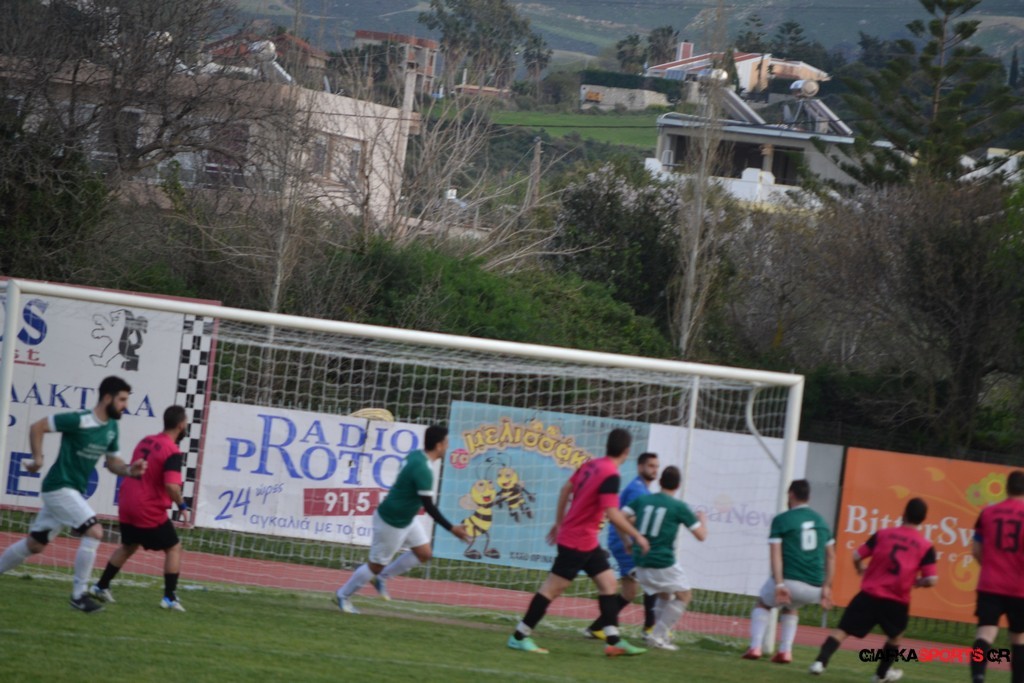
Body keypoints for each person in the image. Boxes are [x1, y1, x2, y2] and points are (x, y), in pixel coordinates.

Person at [0, 376, 144, 613]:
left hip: (70, 490)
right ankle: (78, 595)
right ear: (107, 398)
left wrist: (129, 470)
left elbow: (113, 463)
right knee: (95, 531)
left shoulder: (111, 428)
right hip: (59, 487)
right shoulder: (79, 419)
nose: (125, 406)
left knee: (35, 545)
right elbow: (37, 427)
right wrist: (38, 459)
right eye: (122, 400)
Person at [507, 428, 651, 656]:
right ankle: (519, 636)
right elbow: (612, 514)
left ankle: (614, 641)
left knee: (608, 584)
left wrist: (559, 522)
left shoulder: (591, 464)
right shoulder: (611, 474)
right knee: (552, 589)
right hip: (577, 541)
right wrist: (638, 536)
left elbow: (566, 488)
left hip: (586, 540)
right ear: (626, 451)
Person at [336, 425, 470, 612]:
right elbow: (429, 507)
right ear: (439, 445)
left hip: (406, 517)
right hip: (392, 520)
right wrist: (452, 528)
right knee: (375, 566)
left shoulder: (416, 455)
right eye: (446, 443)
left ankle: (382, 577)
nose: (448, 447)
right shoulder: (423, 469)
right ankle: (343, 595)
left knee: (424, 553)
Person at [809, 497, 937, 681]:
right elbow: (932, 579)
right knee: (895, 637)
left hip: (870, 594)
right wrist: (918, 582)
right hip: (896, 600)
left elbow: (856, 555)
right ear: (923, 520)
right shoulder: (925, 546)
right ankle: (881, 674)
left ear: (904, 514)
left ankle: (820, 662)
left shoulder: (883, 534)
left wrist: (860, 568)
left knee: (842, 630)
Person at [88, 405, 191, 612]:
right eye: (186, 422)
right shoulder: (172, 451)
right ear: (181, 425)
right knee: (174, 548)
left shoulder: (146, 440)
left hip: (127, 502)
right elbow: (171, 486)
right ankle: (170, 597)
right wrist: (182, 505)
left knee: (129, 545)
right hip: (147, 507)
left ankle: (101, 586)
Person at [743, 479, 835, 664]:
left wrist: (779, 584)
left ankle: (755, 646)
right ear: (808, 497)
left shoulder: (782, 519)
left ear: (791, 494)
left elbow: (775, 554)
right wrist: (826, 586)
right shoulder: (821, 522)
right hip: (815, 587)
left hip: (790, 581)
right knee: (791, 607)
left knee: (763, 604)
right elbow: (831, 556)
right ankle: (785, 651)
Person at [622, 465, 707, 650]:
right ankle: (658, 636)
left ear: (660, 482)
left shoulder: (643, 500)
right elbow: (701, 536)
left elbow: (620, 518)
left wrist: (627, 541)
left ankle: (657, 634)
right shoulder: (678, 506)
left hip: (641, 561)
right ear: (678, 485)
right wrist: (702, 520)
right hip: (661, 561)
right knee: (684, 595)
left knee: (664, 593)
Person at [583, 451, 660, 641]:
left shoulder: (643, 489)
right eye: (651, 466)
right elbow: (624, 519)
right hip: (625, 543)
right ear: (640, 467)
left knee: (629, 592)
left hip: (625, 542)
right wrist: (633, 537)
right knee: (651, 581)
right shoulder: (637, 490)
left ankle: (596, 628)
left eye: (656, 466)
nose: (654, 470)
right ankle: (650, 628)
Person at [970, 469, 1024, 683]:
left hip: (990, 584)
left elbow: (976, 550)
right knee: (1019, 639)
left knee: (984, 635)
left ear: (1006, 488)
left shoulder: (987, 512)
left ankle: (978, 676)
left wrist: (990, 567)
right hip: (1019, 587)